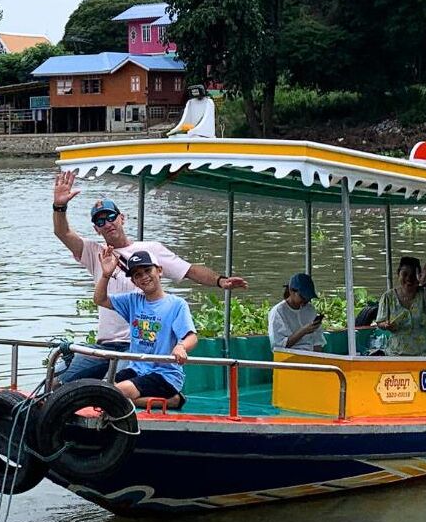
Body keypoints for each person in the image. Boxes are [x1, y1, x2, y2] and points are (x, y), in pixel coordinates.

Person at [52, 168, 247, 382]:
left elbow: (189, 270)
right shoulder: (94, 252)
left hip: (137, 345)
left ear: (122, 218)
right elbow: (63, 233)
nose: (107, 224)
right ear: (97, 229)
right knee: (59, 380)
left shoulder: (151, 250)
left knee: (113, 386)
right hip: (104, 345)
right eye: (100, 222)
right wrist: (60, 206)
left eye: (111, 217)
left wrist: (220, 281)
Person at [94, 248, 197, 406]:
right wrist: (106, 275)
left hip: (165, 375)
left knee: (118, 392)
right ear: (134, 281)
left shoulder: (177, 304)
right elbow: (100, 299)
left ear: (159, 271)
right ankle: (171, 401)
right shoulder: (133, 300)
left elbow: (191, 336)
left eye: (148, 270)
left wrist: (181, 347)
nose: (144, 277)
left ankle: (169, 399)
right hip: (137, 369)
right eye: (138, 275)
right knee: (104, 388)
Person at [361, 256, 426, 356]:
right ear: (398, 274)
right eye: (405, 274)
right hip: (396, 353)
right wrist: (386, 325)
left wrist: (425, 283)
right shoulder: (388, 296)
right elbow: (380, 322)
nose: (409, 278)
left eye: (413, 275)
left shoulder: (425, 294)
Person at [269, 273, 326, 351]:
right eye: (302, 297)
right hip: (288, 355)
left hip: (310, 354)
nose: (305, 300)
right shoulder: (278, 311)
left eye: (308, 298)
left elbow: (317, 342)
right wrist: (303, 331)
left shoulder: (310, 309)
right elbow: (278, 346)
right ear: (291, 291)